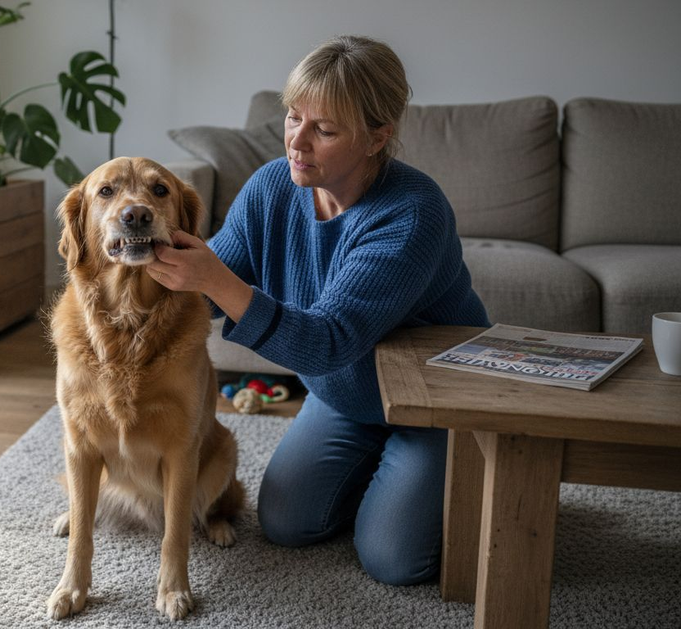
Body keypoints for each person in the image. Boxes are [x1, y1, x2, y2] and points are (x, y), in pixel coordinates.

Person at [145, 35, 490, 586]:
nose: (297, 141)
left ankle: (459, 473)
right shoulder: (270, 187)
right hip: (347, 397)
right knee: (285, 523)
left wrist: (212, 276)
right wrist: (143, 262)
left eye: (324, 130)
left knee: (393, 560)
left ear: (379, 137)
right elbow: (205, 290)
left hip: (435, 403)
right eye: (292, 117)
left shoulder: (413, 212)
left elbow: (327, 342)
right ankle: (393, 479)